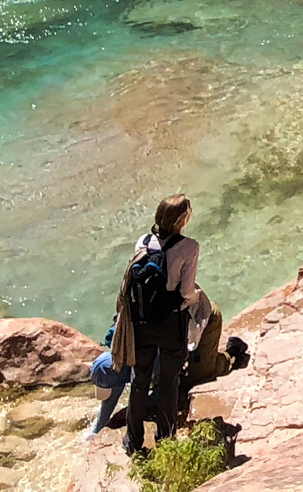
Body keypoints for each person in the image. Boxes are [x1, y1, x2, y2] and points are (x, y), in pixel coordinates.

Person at [111, 194, 212, 456]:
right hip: (170, 323)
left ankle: (133, 440)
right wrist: (198, 299)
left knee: (140, 380)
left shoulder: (142, 242)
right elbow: (187, 291)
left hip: (141, 323)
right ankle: (165, 439)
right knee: (169, 380)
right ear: (182, 219)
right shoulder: (190, 247)